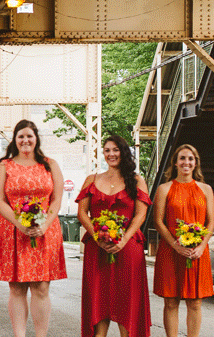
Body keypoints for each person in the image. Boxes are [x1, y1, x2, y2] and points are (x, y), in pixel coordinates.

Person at [0, 120, 66, 337]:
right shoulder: (4, 166)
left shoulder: (50, 165)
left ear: (36, 139)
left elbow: (56, 199)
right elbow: (0, 200)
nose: (25, 140)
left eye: (29, 136)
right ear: (15, 140)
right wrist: (19, 224)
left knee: (41, 288)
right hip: (13, 230)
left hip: (45, 230)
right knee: (17, 288)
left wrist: (45, 224)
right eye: (21, 136)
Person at [76, 135, 151, 337]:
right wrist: (97, 237)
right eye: (107, 150)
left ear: (123, 152)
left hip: (128, 249)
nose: (111, 154)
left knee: (127, 303)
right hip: (97, 249)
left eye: (115, 150)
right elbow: (82, 213)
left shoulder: (137, 181)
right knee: (98, 301)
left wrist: (123, 240)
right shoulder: (92, 180)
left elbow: (141, 215)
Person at [152, 144, 214, 337]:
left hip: (197, 252)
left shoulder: (206, 189)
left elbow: (210, 222)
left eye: (190, 159)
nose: (186, 162)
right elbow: (158, 221)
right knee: (171, 301)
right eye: (182, 158)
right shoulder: (164, 189)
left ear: (196, 163)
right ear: (175, 163)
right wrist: (175, 245)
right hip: (170, 251)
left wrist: (202, 246)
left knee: (195, 302)